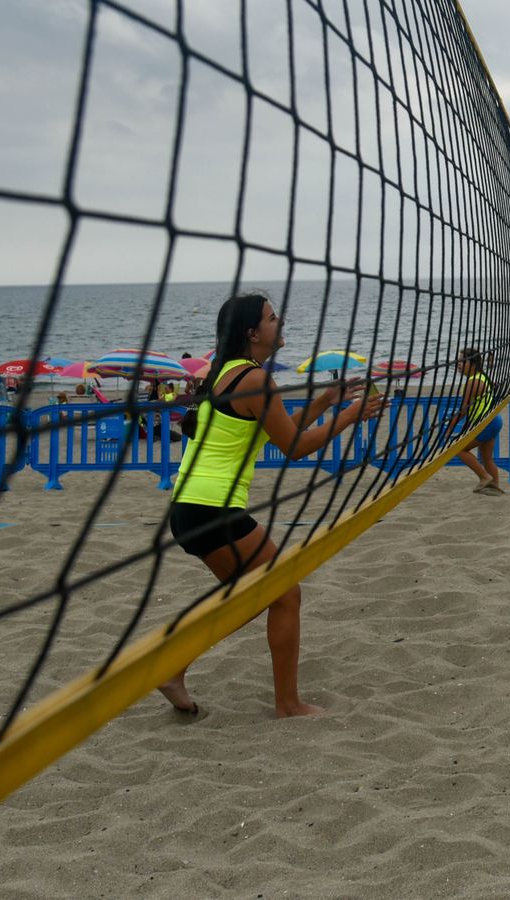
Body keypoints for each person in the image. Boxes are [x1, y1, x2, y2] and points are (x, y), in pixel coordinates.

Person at [164, 292, 385, 718]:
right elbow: (295, 448)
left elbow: (272, 433)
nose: (279, 321)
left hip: (192, 507)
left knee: (248, 598)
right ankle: (288, 704)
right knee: (283, 593)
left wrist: (323, 404)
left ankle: (173, 670)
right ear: (252, 333)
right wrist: (349, 417)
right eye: (271, 317)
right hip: (212, 508)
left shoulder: (229, 372)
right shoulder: (253, 379)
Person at [447, 347, 504, 495]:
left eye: (462, 361)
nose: (458, 364)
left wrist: (448, 430)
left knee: (458, 448)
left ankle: (484, 477)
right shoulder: (482, 377)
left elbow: (463, 411)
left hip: (486, 423)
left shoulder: (473, 382)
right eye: (458, 361)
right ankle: (495, 486)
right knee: (487, 459)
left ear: (472, 364)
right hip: (493, 420)